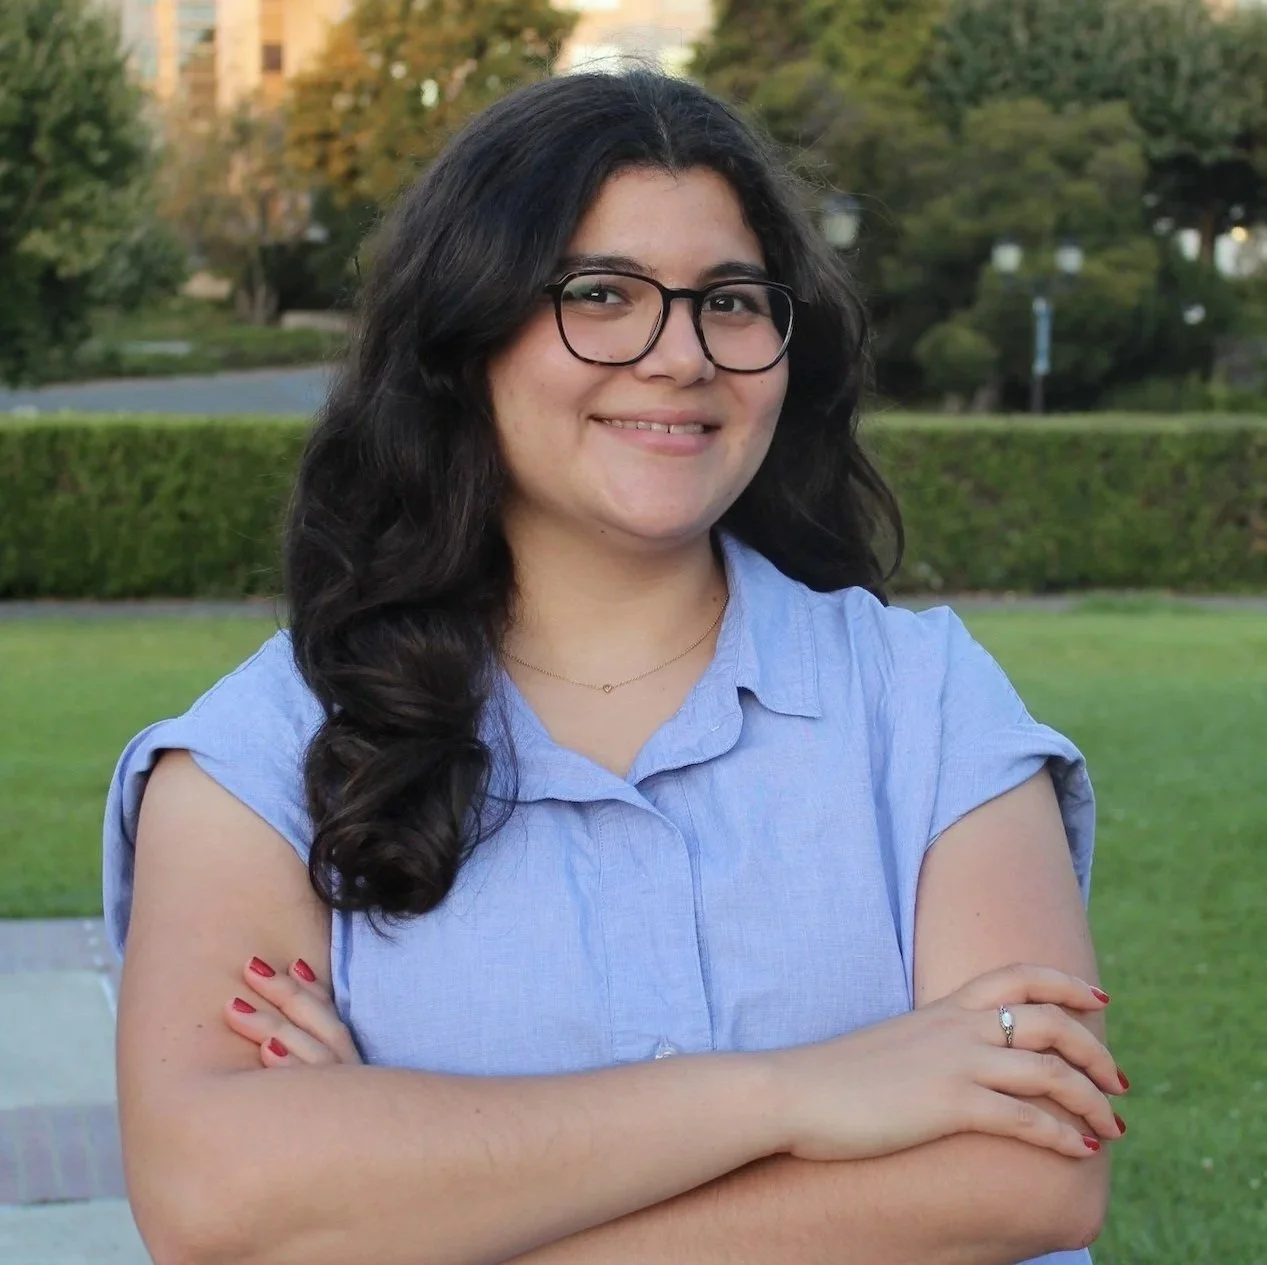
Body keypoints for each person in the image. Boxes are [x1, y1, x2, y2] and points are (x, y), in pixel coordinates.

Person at [103, 69, 1125, 1265]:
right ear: (465, 337)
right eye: (601, 292)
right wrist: (796, 1091)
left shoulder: (926, 700)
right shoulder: (261, 754)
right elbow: (214, 1201)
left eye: (730, 301)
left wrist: (419, 1215)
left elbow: (1029, 1171)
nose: (681, 356)